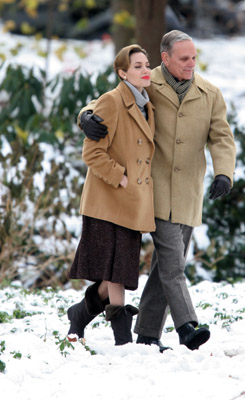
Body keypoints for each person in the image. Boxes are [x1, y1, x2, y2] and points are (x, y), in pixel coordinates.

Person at [78, 30, 236, 352]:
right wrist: (85, 116)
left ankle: (144, 334)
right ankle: (187, 327)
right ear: (165, 58)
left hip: (188, 194)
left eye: (194, 58)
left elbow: (221, 137)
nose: (191, 64)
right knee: (173, 264)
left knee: (166, 267)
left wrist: (224, 173)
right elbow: (109, 98)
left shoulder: (211, 94)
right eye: (184, 59)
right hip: (153, 191)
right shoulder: (149, 81)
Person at [66, 44, 156, 346]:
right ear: (122, 72)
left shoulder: (148, 100)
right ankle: (122, 338)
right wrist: (122, 179)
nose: (145, 70)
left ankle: (81, 313)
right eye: (137, 66)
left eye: (147, 64)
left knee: (118, 271)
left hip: (133, 203)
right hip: (108, 200)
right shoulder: (113, 100)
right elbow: (92, 153)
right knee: (117, 272)